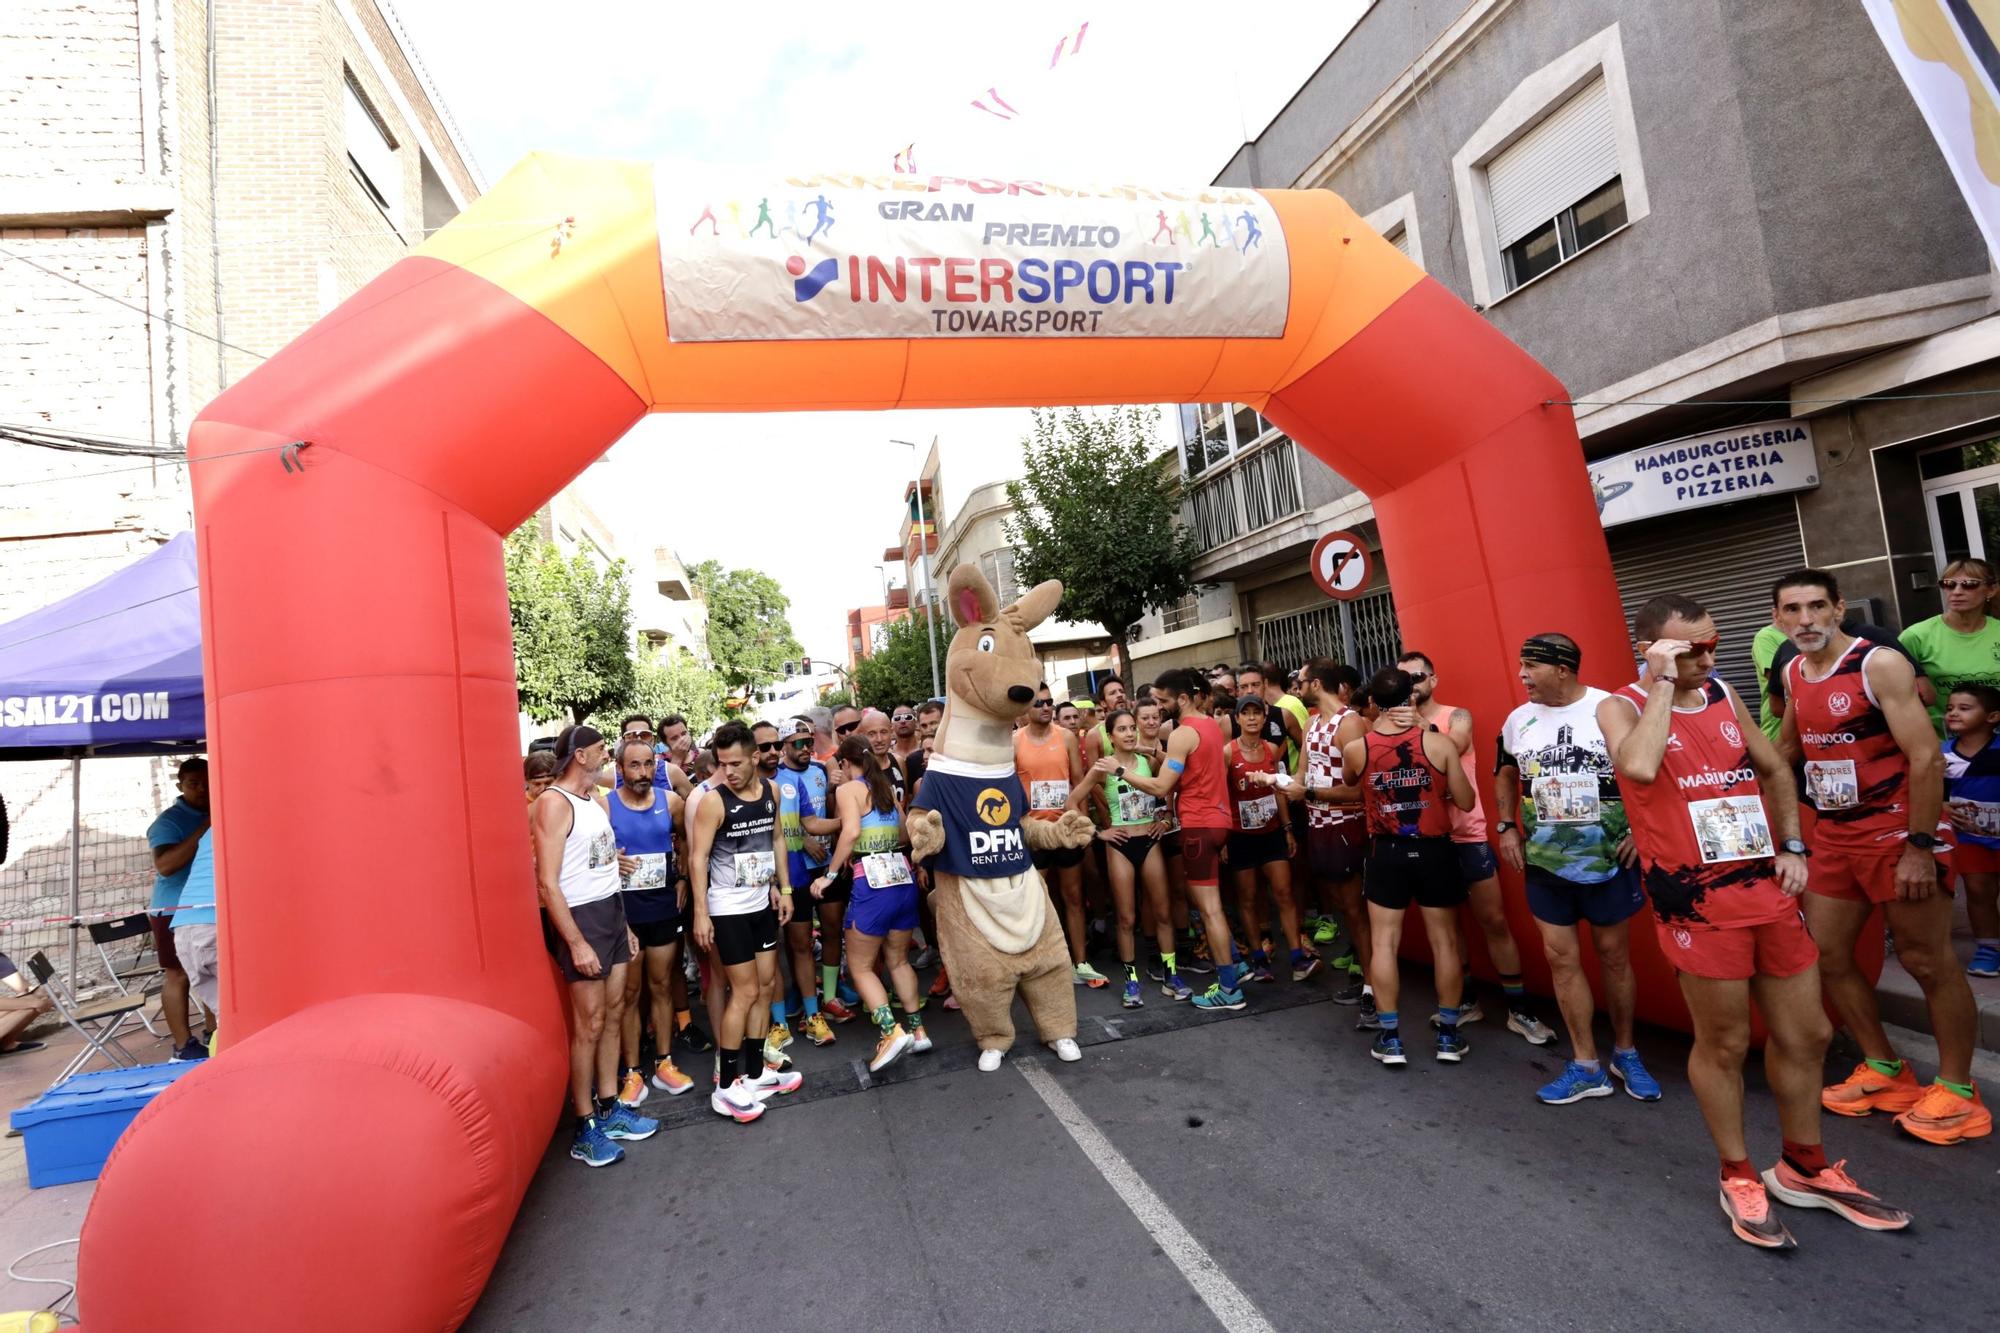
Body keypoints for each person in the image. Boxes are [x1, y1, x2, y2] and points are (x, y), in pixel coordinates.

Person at [1601, 593, 1909, 1249]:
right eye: (1691, 648)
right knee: (1726, 1043)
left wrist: (1793, 845)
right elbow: (1638, 765)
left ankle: (1802, 1165)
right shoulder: (1622, 705)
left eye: (1712, 642)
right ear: (1653, 648)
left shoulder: (1720, 691)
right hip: (1696, 901)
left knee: (1808, 1032)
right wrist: (1660, 679)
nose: (1708, 657)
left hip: (1763, 888)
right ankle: (1737, 1172)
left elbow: (1773, 768)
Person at [1772, 568, 1987, 1144]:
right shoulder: (1794, 670)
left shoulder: (1877, 664)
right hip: (1838, 835)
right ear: (1777, 619)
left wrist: (1920, 848)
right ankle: (1885, 1069)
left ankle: (1960, 1093)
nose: (1805, 620)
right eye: (1792, 610)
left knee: (1926, 960)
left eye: (1817, 606)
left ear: (1839, 608)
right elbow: (1787, 749)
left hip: (1900, 833)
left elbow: (1926, 758)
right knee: (1827, 955)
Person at [1494, 634, 1660, 1105]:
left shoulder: (1613, 708)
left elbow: (1653, 770)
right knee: (1561, 959)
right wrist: (1506, 825)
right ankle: (1586, 1063)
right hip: (1546, 861)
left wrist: (1643, 831)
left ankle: (1625, 1053)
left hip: (1610, 859)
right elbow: (1505, 770)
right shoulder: (1517, 719)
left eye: (1531, 667)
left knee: (1613, 957)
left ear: (1562, 669)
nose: (1522, 675)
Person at [1400, 650, 1553, 1047]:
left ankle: (1519, 1010)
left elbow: (1455, 743)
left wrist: (1416, 723)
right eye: (1404, 680)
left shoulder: (1456, 714)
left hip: (1468, 836)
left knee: (1494, 923)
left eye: (1417, 677)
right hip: (1429, 840)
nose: (1411, 685)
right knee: (1448, 931)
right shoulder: (1393, 725)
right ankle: (1467, 1001)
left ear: (1433, 679)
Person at [530, 725, 661, 1165]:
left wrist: (622, 925)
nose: (607, 756)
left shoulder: (595, 801)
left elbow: (606, 870)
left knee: (613, 1012)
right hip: (580, 920)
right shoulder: (552, 803)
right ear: (580, 755)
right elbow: (547, 883)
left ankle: (609, 1105)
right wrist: (576, 942)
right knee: (587, 1024)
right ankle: (584, 1124)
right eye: (602, 750)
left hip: (609, 913)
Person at [1343, 667, 1475, 1067]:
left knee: (1384, 943)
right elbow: (1466, 802)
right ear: (1412, 698)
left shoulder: (1358, 747)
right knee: (1445, 944)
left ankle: (1391, 1037)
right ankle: (1449, 1035)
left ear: (1371, 703)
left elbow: (1351, 780)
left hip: (1387, 852)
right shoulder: (1438, 744)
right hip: (1435, 850)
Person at [690, 721, 803, 1122]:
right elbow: (697, 857)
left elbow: (775, 840)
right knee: (744, 991)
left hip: (760, 903)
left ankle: (754, 1075)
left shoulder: (771, 791)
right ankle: (726, 1086)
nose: (729, 772)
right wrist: (701, 913)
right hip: (727, 908)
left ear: (756, 757)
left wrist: (784, 888)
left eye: (736, 763)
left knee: (767, 986)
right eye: (722, 764)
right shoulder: (713, 802)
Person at [1121, 669, 1250, 1011]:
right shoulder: (1209, 724)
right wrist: (1150, 752)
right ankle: (1236, 963)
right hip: (1218, 822)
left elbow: (1161, 787)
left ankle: (1229, 988)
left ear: (1181, 698)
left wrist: (1122, 771)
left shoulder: (1181, 733)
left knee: (1209, 909)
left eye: (1163, 701)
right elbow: (1191, 767)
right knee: (1206, 901)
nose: (1159, 707)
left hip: (1198, 826)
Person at [810, 734, 929, 1071]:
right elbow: (905, 834)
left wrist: (829, 876)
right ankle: (918, 1030)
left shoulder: (849, 790)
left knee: (860, 966)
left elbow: (848, 833)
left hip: (872, 884)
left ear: (846, 764)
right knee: (899, 961)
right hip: (901, 879)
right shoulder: (887, 790)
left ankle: (891, 1032)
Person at [605, 736, 696, 1104]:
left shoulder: (670, 801)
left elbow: (688, 839)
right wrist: (612, 860)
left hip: (662, 906)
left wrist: (684, 877)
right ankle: (631, 1072)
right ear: (620, 769)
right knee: (630, 993)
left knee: (661, 986)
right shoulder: (605, 807)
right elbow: (591, 856)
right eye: (634, 766)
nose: (643, 773)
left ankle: (664, 1062)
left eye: (648, 766)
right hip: (625, 912)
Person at [1076, 708, 1181, 1005]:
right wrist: (1098, 832)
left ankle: (1171, 977)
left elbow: (1171, 778)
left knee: (1162, 912)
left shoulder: (1147, 761)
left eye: (1132, 727)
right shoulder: (1102, 767)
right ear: (1110, 736)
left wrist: (1166, 818)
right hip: (1119, 844)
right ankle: (1131, 982)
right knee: (1125, 918)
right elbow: (1073, 800)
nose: (1129, 733)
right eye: (1121, 729)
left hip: (1149, 841)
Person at [1014, 684, 1102, 987]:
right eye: (1039, 703)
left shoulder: (1065, 736)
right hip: (1034, 833)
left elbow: (1078, 782)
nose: (1046, 707)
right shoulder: (1014, 741)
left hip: (1064, 829)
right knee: (1037, 903)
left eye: (1049, 702)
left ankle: (1081, 962)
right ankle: (1044, 965)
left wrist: (1082, 824)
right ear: (1026, 709)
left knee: (1074, 897)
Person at [1301, 662, 1372, 1010]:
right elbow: (1302, 776)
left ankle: (1373, 986)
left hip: (1345, 826)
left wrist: (1310, 795)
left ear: (1316, 684)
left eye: (1300, 681)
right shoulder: (1310, 722)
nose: (1296, 686)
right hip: (1318, 826)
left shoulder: (1350, 722)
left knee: (1356, 910)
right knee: (1345, 908)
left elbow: (1359, 790)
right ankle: (1367, 976)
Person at [1224, 695, 1309, 983]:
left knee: (1283, 892)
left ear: (1263, 718)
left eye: (1256, 713)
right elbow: (1221, 797)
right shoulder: (1227, 753)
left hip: (1272, 831)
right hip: (1240, 835)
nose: (1251, 718)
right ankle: (1258, 959)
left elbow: (1279, 791)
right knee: (1247, 898)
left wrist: (1287, 828)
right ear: (1237, 719)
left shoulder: (1272, 749)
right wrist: (1223, 839)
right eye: (1245, 713)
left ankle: (1297, 957)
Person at [773, 718, 841, 1046]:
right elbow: (787, 826)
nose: (805, 748)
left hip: (822, 864)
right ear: (783, 745)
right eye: (798, 743)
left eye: (808, 741)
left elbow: (817, 817)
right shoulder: (774, 777)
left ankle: (824, 998)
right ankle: (788, 1008)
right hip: (787, 869)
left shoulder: (819, 771)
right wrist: (803, 836)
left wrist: (849, 826)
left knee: (828, 929)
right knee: (788, 944)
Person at [145, 757, 213, 1062]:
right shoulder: (168, 822)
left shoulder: (219, 808)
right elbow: (166, 865)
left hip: (209, 905)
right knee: (178, 976)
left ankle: (215, 1032)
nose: (202, 789)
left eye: (207, 782)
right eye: (193, 784)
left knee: (213, 968)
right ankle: (183, 1045)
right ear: (180, 786)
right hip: (174, 909)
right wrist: (204, 828)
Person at [1901, 557, 2000, 734]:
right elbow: (1897, 697)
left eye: (1970, 584)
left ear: (1991, 590)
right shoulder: (1916, 636)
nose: (1957, 591)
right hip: (1942, 745)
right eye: (1948, 584)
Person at [1943, 685, 2000, 977]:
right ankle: (1989, 948)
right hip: (1968, 837)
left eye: (1965, 708)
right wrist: (1942, 806)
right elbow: (1931, 788)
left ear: (1992, 716)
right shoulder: (1942, 754)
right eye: (1951, 707)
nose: (1953, 713)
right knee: (1978, 891)